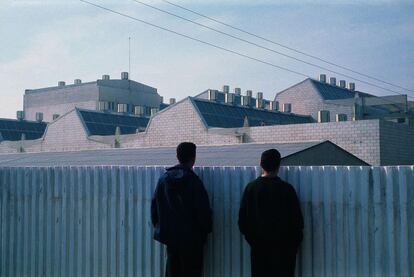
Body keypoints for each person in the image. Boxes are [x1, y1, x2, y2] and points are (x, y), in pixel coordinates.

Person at [238, 149, 304, 277]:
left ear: (261, 164)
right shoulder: (287, 190)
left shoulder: (251, 189)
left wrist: (254, 241)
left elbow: (243, 222)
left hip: (259, 252)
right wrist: (291, 247)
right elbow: (297, 223)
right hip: (284, 255)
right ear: (279, 165)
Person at [151, 142, 212, 277]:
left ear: (177, 156)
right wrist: (205, 233)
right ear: (193, 158)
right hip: (192, 242)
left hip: (171, 241)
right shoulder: (194, 181)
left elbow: (155, 210)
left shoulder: (164, 180)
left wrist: (162, 229)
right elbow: (203, 212)